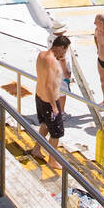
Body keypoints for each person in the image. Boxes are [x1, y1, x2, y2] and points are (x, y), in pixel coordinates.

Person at [29, 34, 70, 163]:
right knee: (57, 132)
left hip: (39, 96)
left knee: (45, 124)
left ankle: (37, 149)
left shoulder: (41, 54)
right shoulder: (52, 62)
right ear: (61, 47)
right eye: (65, 50)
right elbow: (49, 86)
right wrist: (54, 106)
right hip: (49, 101)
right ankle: (53, 160)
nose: (65, 53)